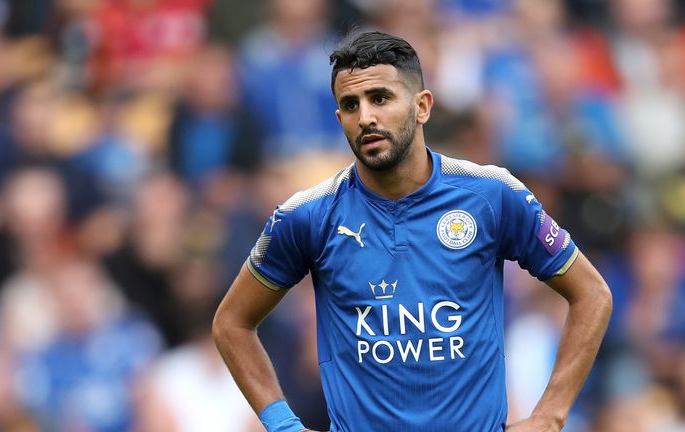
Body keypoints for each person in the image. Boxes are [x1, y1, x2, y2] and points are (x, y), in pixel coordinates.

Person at [212, 31, 612, 432]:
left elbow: (592, 294)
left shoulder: (492, 195)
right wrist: (283, 425)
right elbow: (232, 323)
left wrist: (550, 415)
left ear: (422, 106)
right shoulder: (307, 216)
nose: (365, 116)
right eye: (350, 105)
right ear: (339, 119)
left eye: (380, 98)